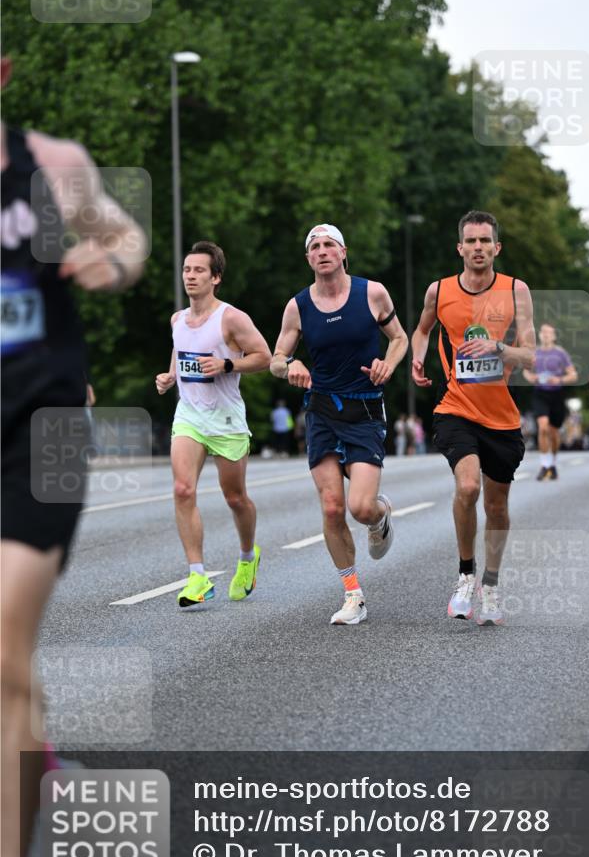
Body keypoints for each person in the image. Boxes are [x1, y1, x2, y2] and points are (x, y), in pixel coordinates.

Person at [1, 56, 145, 857]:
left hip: (40, 433)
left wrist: (112, 262)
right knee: (9, 667)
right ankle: (45, 779)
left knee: (0, 653)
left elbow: (124, 235)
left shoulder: (53, 165)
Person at [270, 223, 408, 625]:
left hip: (365, 409)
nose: (322, 251)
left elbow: (398, 338)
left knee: (359, 506)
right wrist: (290, 366)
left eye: (329, 244)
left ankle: (380, 516)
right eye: (314, 246)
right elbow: (276, 356)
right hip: (322, 412)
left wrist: (389, 362)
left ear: (344, 252)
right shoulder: (299, 306)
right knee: (332, 508)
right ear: (309, 258)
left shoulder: (372, 293)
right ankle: (353, 596)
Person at [411, 210, 536, 626]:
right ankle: (465, 576)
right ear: (459, 247)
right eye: (471, 241)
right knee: (467, 487)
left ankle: (492, 584)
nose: (478, 248)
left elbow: (532, 355)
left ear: (496, 247)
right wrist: (416, 356)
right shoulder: (439, 291)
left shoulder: (516, 290)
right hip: (456, 407)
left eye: (486, 241)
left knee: (497, 507)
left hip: (501, 417)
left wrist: (498, 350)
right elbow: (423, 329)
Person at [156, 241, 271, 608]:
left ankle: (247, 556)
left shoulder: (231, 318)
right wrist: (171, 376)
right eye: (187, 270)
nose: (191, 276)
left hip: (225, 419)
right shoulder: (178, 319)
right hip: (189, 416)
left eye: (199, 270)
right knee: (183, 489)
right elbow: (181, 350)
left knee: (235, 498)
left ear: (215, 277)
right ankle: (197, 575)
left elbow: (264, 357)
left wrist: (226, 365)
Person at [521, 322, 577, 480]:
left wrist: (559, 379)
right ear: (539, 335)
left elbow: (573, 375)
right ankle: (544, 465)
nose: (545, 334)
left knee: (553, 432)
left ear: (554, 336)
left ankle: (552, 463)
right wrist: (532, 377)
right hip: (540, 394)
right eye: (543, 332)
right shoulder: (534, 353)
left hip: (557, 395)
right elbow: (526, 371)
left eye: (548, 332)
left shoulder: (560, 353)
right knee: (543, 427)